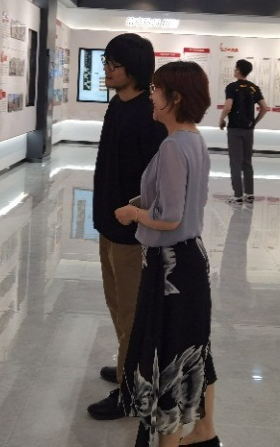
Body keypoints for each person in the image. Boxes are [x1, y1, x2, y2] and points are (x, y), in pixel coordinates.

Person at [114, 61, 219, 447]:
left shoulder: (173, 146)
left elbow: (169, 218)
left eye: (156, 90)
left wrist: (133, 214)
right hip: (190, 260)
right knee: (193, 348)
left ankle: (170, 442)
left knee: (168, 358)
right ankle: (205, 432)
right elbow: (191, 200)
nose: (151, 97)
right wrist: (145, 201)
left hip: (171, 266)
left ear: (174, 97)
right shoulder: (194, 139)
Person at [88, 34, 167, 421]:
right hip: (109, 224)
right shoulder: (117, 105)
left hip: (133, 233)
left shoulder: (149, 116)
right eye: (105, 62)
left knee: (132, 313)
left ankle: (132, 391)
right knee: (117, 304)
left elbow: (158, 184)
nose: (105, 70)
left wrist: (135, 215)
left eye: (112, 64)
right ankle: (125, 366)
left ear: (133, 68)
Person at [218, 59, 269, 204]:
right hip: (248, 129)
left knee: (235, 162)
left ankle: (238, 195)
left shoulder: (232, 87)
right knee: (247, 162)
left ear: (239, 70)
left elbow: (228, 106)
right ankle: (249, 193)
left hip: (234, 129)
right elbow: (265, 107)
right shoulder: (254, 88)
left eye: (235, 68)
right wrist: (254, 122)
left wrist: (221, 119)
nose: (234, 70)